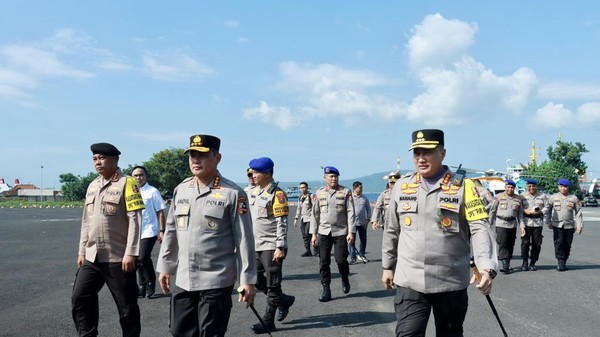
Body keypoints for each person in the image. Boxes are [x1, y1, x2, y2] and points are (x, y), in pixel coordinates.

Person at [381, 129, 497, 337]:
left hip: (449, 281)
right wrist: (388, 266)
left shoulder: (464, 187)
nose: (421, 159)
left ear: (442, 153)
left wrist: (486, 267)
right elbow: (392, 229)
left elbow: (480, 227)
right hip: (410, 279)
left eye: (428, 152)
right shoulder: (402, 186)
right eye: (417, 153)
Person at [156, 134, 257, 337]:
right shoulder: (181, 190)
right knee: (179, 331)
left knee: (210, 333)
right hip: (184, 278)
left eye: (201, 155)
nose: (195, 160)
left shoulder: (233, 193)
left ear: (217, 158)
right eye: (192, 155)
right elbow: (171, 231)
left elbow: (244, 239)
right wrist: (166, 267)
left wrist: (247, 280)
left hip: (216, 279)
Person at [71, 142, 145, 337]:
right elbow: (86, 221)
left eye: (102, 158)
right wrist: (81, 251)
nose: (98, 162)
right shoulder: (92, 185)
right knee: (80, 298)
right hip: (93, 256)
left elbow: (135, 220)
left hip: (118, 257)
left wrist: (131, 252)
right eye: (95, 159)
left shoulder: (127, 183)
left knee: (126, 308)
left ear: (115, 160)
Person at [247, 157, 295, 334]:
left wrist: (280, 246)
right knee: (257, 281)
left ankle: (268, 321)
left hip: (271, 246)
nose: (253, 174)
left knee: (273, 284)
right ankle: (284, 300)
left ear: (267, 173)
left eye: (257, 172)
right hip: (256, 245)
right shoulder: (254, 192)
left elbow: (282, 222)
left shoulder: (278, 194)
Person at [310, 166, 355, 302]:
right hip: (323, 232)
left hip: (341, 231)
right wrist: (313, 234)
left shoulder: (345, 191)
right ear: (325, 178)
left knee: (341, 260)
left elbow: (350, 212)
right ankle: (326, 289)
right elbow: (315, 214)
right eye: (331, 176)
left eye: (335, 176)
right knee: (323, 261)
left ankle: (344, 277)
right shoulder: (319, 193)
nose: (334, 179)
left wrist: (351, 232)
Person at [130, 165, 167, 298]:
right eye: (136, 175)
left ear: (146, 176)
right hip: (135, 231)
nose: (138, 177)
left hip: (150, 230)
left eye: (141, 175)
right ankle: (142, 286)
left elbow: (160, 212)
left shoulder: (152, 191)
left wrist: (162, 231)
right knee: (136, 259)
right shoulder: (130, 192)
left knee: (143, 257)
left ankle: (150, 282)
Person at [544, 178, 584, 271]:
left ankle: (564, 261)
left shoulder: (573, 198)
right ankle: (560, 262)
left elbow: (578, 212)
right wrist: (548, 221)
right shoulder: (553, 197)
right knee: (559, 242)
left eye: (565, 187)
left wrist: (579, 225)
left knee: (567, 244)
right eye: (561, 186)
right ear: (558, 187)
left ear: (568, 188)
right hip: (557, 225)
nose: (563, 188)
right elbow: (548, 210)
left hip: (569, 225)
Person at [489, 179, 524, 274]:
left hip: (512, 224)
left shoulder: (518, 199)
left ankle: (507, 263)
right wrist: (489, 223)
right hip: (501, 223)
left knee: (510, 244)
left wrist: (522, 227)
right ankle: (504, 263)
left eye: (512, 187)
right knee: (502, 243)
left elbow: (520, 215)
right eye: (508, 187)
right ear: (505, 187)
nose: (510, 189)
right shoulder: (498, 197)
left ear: (514, 188)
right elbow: (493, 210)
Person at [520, 179, 547, 271]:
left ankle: (533, 262)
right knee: (525, 243)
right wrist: (524, 211)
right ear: (526, 186)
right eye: (529, 186)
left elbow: (547, 207)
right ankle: (524, 262)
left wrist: (541, 211)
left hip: (538, 223)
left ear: (536, 186)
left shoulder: (542, 196)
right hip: (526, 222)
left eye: (533, 186)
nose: (531, 188)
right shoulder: (522, 196)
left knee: (537, 244)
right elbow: (519, 209)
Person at [348, 181, 371, 263]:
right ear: (355, 188)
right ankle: (353, 257)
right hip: (352, 223)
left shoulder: (364, 198)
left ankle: (362, 254)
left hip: (362, 223)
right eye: (360, 187)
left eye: (362, 187)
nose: (361, 189)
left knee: (363, 239)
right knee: (351, 240)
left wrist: (367, 219)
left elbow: (368, 209)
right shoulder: (350, 198)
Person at [294, 182, 317, 257]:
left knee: (308, 234)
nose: (302, 189)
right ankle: (308, 251)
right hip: (303, 219)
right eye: (301, 188)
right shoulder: (300, 197)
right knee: (304, 235)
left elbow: (315, 208)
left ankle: (316, 248)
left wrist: (316, 219)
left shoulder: (311, 196)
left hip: (310, 219)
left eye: (304, 187)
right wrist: (296, 218)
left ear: (307, 187)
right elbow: (299, 209)